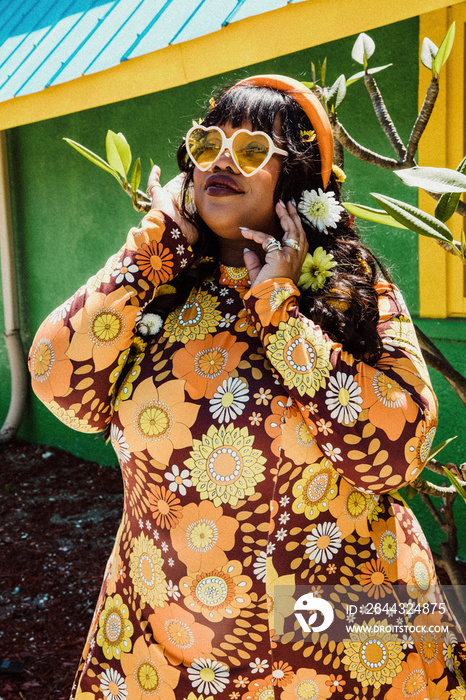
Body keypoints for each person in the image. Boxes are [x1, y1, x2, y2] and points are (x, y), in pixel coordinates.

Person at [29, 74, 466, 700]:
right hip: (168, 637)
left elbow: (396, 456)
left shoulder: (347, 290)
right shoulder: (162, 285)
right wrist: (154, 242)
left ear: (298, 183)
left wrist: (281, 314)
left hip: (337, 638)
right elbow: (58, 383)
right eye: (208, 144)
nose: (223, 161)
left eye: (255, 149)